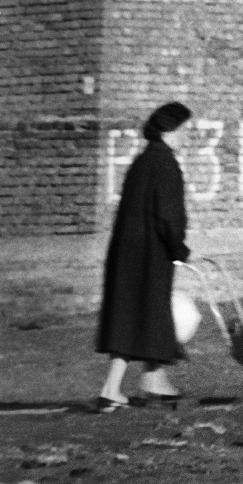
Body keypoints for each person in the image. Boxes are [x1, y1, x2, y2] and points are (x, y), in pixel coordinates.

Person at [95, 101, 195, 412]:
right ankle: (122, 386)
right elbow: (169, 215)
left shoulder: (143, 162)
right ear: (169, 130)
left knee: (136, 316)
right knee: (147, 312)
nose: (186, 137)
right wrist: (179, 249)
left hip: (127, 251)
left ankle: (147, 381)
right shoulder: (166, 164)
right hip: (151, 253)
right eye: (184, 131)